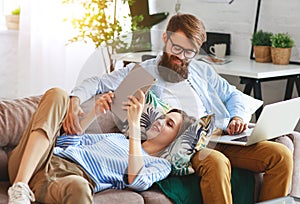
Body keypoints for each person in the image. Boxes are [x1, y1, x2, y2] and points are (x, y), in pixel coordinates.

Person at [62, 13, 293, 203]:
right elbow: (98, 83)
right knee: (216, 162)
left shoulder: (202, 71)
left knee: (281, 155)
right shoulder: (144, 72)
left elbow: (232, 95)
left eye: (189, 52)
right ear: (165, 38)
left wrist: (236, 117)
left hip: (219, 136)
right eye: (177, 48)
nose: (181, 57)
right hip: (184, 145)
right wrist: (74, 100)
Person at [7, 88, 195, 203]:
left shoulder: (161, 164)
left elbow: (136, 181)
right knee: (59, 94)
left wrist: (135, 126)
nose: (161, 122)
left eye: (169, 124)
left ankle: (23, 188)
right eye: (163, 117)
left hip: (64, 181)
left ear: (175, 140)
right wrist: (94, 114)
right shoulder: (116, 138)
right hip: (35, 161)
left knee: (80, 188)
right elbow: (66, 144)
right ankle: (19, 187)